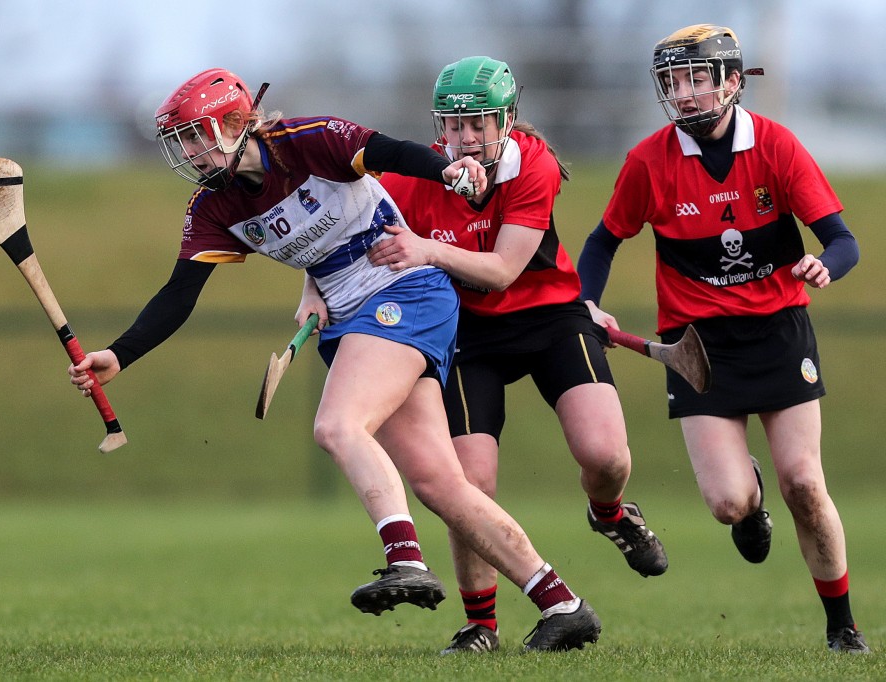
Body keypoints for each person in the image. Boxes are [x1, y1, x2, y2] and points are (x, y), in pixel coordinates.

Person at [68, 67, 602, 652]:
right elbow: (178, 294)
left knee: (337, 425)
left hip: (405, 291)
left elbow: (389, 151)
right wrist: (119, 354)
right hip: (349, 317)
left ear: (233, 122)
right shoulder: (213, 209)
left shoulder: (304, 139)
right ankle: (562, 605)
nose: (191, 153)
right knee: (440, 482)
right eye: (183, 143)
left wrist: (448, 168)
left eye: (197, 136)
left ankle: (405, 559)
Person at [359, 56, 667, 655]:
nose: (467, 138)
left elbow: (500, 271)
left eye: (480, 124)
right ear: (438, 126)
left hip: (551, 316)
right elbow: (346, 222)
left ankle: (608, 513)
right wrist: (309, 291)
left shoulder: (534, 163)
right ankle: (482, 626)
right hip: (467, 335)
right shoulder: (412, 177)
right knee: (469, 482)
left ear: (507, 120)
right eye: (455, 125)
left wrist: (424, 250)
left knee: (605, 456)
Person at [575, 25, 868, 654]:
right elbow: (603, 241)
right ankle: (750, 494)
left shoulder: (776, 147)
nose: (683, 94)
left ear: (732, 82)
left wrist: (825, 264)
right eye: (671, 83)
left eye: (696, 79)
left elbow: (843, 241)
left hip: (778, 331)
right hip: (694, 345)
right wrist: (586, 301)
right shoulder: (648, 161)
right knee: (730, 504)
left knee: (806, 486)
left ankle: (842, 628)